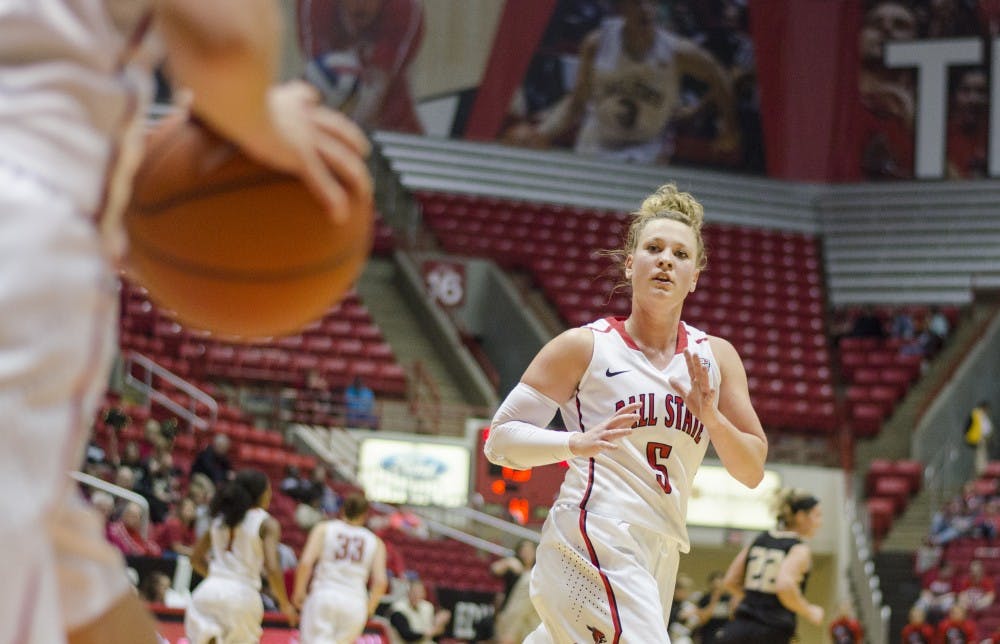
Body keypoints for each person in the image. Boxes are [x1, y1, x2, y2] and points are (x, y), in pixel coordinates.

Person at [484, 182, 767, 643]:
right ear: (629, 262)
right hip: (593, 533)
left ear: (695, 275)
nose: (665, 260)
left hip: (661, 546)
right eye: (653, 248)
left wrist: (712, 417)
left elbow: (753, 469)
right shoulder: (585, 347)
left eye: (680, 253)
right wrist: (571, 442)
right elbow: (500, 439)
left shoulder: (715, 358)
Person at [508, 0, 738, 165]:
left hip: (647, 149)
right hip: (596, 143)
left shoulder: (677, 53)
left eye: (651, 3)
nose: (646, 9)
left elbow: (720, 77)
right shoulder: (597, 44)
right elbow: (577, 102)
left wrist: (727, 125)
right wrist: (544, 132)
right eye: (637, 3)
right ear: (621, 8)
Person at [185, 469, 298, 643]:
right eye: (268, 490)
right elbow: (273, 567)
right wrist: (284, 603)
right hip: (242, 597)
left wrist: (220, 580)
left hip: (207, 592)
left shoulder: (220, 520)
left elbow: (195, 559)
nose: (270, 494)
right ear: (259, 494)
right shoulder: (266, 523)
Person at [297, 0, 425, 133]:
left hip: (390, 117)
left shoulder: (404, 8)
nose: (361, 4)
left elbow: (380, 85)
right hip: (324, 115)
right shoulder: (314, 5)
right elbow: (317, 77)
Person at [715, 489, 824, 643]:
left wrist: (753, 601)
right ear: (800, 517)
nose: (820, 522)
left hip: (739, 627)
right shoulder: (799, 549)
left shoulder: (760, 539)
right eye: (817, 515)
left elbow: (731, 580)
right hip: (772, 630)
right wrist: (809, 611)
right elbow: (785, 586)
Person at [293, 492, 388, 644]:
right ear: (364, 515)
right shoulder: (376, 542)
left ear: (342, 510)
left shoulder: (324, 529)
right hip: (355, 602)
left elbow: (305, 563)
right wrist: (369, 608)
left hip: (324, 594)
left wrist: (299, 591)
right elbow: (381, 582)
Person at [387, 577, 452, 644]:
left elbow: (436, 635)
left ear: (424, 594)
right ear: (408, 593)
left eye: (419, 592)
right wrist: (431, 632)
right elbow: (407, 636)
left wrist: (440, 624)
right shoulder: (398, 609)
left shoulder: (428, 607)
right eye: (414, 592)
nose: (416, 595)